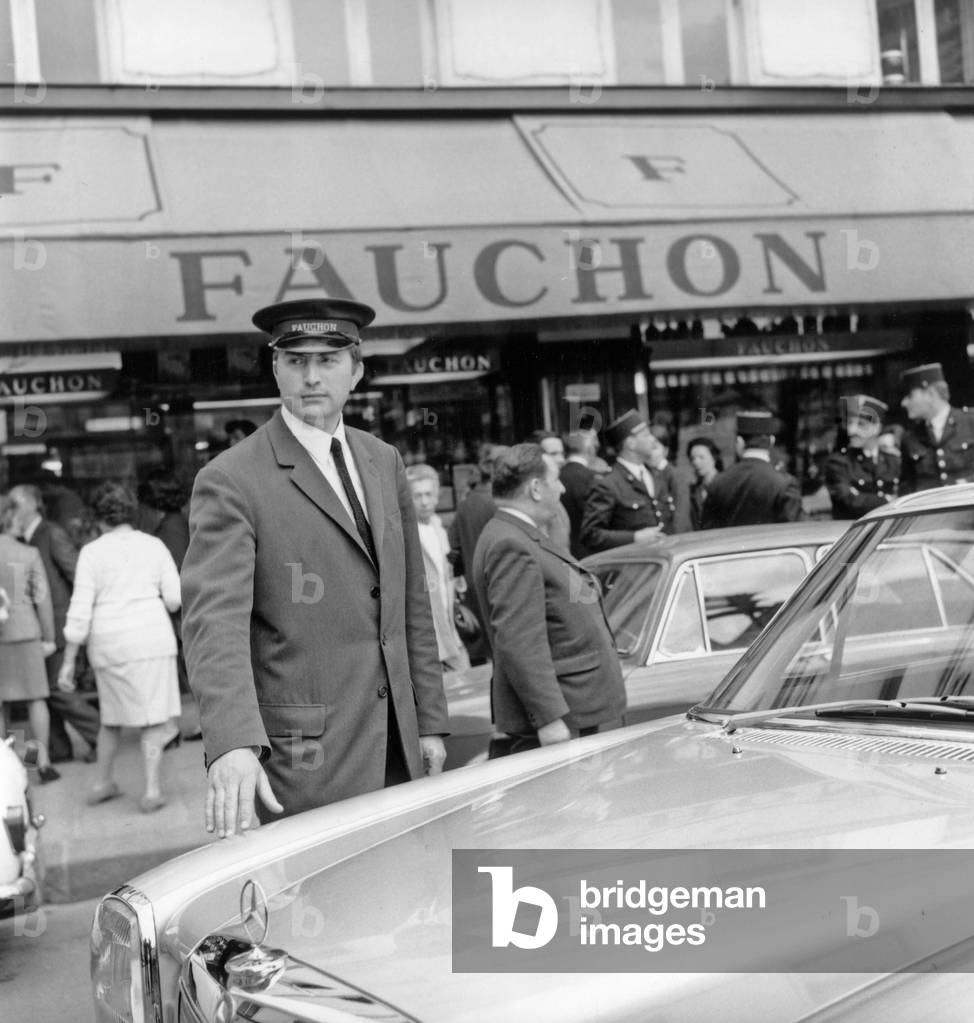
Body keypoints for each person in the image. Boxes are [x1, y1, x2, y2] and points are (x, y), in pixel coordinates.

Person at [181, 298, 449, 837]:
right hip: (307, 758)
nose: (311, 377)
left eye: (328, 361)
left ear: (357, 371)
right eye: (295, 360)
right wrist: (233, 741)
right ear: (274, 367)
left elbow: (409, 599)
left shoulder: (383, 459)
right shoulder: (231, 478)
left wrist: (431, 721)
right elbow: (215, 622)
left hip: (401, 738)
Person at [472, 444, 626, 756]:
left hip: (574, 710)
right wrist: (549, 718)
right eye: (555, 479)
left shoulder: (515, 535)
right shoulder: (510, 543)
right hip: (564, 718)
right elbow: (519, 640)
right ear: (535, 488)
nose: (563, 487)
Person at [57, 483, 182, 812]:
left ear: (98, 517)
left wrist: (69, 661)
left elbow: (80, 609)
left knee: (110, 720)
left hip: (109, 644)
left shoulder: (91, 552)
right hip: (152, 639)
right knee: (154, 720)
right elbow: (174, 599)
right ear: (132, 512)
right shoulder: (153, 545)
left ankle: (102, 782)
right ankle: (152, 789)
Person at [8, 484, 99, 763]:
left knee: (57, 689)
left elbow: (77, 575)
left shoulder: (50, 533)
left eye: (15, 505)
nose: (10, 512)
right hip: (42, 626)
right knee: (46, 691)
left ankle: (101, 735)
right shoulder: (28, 538)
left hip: (57, 624)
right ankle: (59, 750)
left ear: (31, 505)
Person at [0, 496, 59, 782]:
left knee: (3, 704)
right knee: (36, 698)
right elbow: (43, 601)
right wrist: (49, 637)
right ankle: (42, 762)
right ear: (9, 519)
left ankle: (10, 761)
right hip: (25, 632)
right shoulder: (28, 553)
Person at [406, 464, 470, 673]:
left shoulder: (437, 526)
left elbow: (448, 576)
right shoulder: (405, 533)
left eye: (428, 494)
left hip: (449, 627)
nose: (424, 501)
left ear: (436, 496)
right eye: (417, 496)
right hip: (426, 637)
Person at [580, 409, 668, 552]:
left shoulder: (655, 475)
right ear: (631, 443)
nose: (652, 439)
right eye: (646, 435)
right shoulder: (608, 483)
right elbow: (591, 534)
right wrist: (635, 537)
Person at [701, 411, 802, 528]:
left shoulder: (717, 482)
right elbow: (796, 530)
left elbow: (706, 530)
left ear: (739, 442)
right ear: (771, 441)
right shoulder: (785, 483)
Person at [899, 363, 974, 492]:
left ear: (930, 394)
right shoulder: (910, 438)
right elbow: (906, 487)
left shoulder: (970, 422)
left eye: (910, 396)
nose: (904, 402)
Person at [824, 395, 900, 519]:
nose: (852, 430)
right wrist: (889, 500)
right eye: (850, 423)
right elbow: (849, 500)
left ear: (877, 428)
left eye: (861, 424)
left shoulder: (893, 461)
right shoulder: (838, 462)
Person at [527, 430, 571, 550]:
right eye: (553, 454)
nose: (561, 459)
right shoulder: (534, 499)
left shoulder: (553, 492)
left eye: (562, 453)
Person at [560, 429, 598, 559]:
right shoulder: (593, 478)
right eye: (595, 445)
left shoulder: (556, 476)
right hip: (591, 554)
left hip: (565, 552)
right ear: (590, 448)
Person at [647, 425, 691, 534]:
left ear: (665, 451)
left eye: (655, 448)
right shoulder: (646, 474)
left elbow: (681, 515)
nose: (650, 453)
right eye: (648, 448)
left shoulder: (675, 476)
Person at [686, 437, 723, 530]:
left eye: (701, 457)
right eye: (692, 458)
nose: (696, 462)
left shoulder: (727, 485)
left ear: (714, 458)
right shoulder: (693, 490)